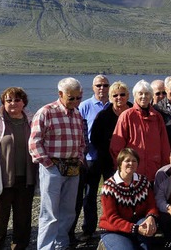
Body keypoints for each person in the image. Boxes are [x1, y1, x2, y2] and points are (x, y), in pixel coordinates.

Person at [29, 77, 86, 250]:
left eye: (78, 98)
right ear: (60, 94)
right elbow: (34, 143)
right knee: (50, 213)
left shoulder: (77, 113)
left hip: (73, 167)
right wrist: (49, 165)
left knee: (68, 212)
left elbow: (82, 141)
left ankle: (61, 245)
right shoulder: (46, 112)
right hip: (52, 167)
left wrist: (80, 158)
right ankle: (46, 247)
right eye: (71, 98)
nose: (75, 101)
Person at [0, 87, 36, 250]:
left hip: (26, 181)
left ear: (24, 102)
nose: (13, 103)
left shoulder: (32, 120)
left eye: (17, 100)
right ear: (3, 102)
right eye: (8, 100)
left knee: (23, 221)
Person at [110, 80, 170, 182]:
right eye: (140, 93)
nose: (143, 96)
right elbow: (116, 146)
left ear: (151, 96)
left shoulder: (157, 117)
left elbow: (164, 145)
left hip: (154, 170)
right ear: (134, 95)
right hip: (132, 171)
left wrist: (166, 168)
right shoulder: (127, 116)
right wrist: (121, 169)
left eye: (147, 93)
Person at [99, 148, 158, 250]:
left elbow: (151, 205)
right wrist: (135, 228)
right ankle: (104, 244)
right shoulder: (109, 187)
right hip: (114, 230)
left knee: (147, 245)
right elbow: (112, 218)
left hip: (138, 224)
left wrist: (151, 217)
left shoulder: (143, 181)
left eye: (134, 161)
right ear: (120, 163)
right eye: (127, 161)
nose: (131, 163)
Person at [75, 74, 110, 242]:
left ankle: (110, 226)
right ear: (93, 87)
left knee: (111, 193)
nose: (102, 88)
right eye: (98, 85)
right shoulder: (84, 106)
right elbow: (80, 132)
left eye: (105, 85)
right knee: (89, 195)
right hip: (91, 157)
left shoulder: (115, 105)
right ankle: (88, 229)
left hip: (110, 158)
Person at [91, 81, 132, 180]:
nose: (119, 97)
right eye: (115, 95)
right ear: (110, 97)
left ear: (128, 96)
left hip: (132, 160)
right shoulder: (103, 116)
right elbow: (95, 139)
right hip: (108, 162)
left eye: (122, 94)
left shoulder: (134, 112)